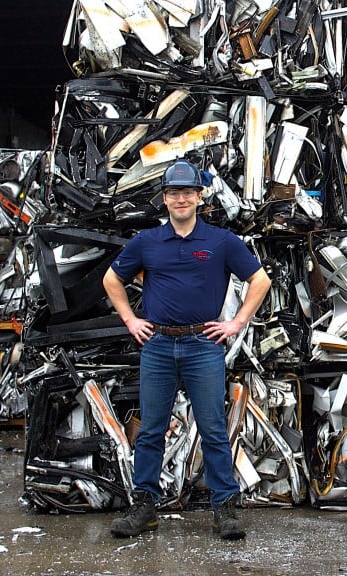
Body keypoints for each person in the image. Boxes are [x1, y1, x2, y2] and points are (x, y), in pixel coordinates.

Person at [102, 159, 271, 539]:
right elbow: (111, 280)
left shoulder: (221, 241)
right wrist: (130, 320)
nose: (181, 199)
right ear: (164, 198)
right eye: (174, 193)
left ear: (199, 197)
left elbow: (260, 280)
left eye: (188, 192)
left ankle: (224, 509)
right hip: (158, 345)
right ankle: (144, 507)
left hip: (203, 345)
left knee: (212, 429)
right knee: (151, 430)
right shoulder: (146, 241)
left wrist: (236, 323)